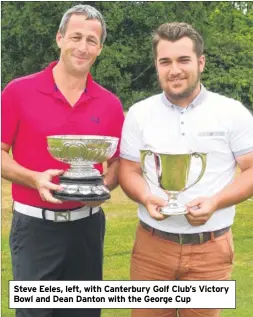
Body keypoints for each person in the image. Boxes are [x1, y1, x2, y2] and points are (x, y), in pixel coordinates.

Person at [119, 22, 253, 317]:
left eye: (183, 60)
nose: (174, 70)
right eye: (165, 61)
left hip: (210, 249)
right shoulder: (140, 113)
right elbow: (128, 171)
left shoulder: (231, 113)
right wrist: (145, 197)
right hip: (152, 248)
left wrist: (216, 202)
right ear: (156, 65)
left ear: (201, 62)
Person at [1, 4, 124, 317]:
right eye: (76, 37)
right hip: (35, 228)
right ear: (60, 38)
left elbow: (117, 164)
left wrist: (101, 186)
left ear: (100, 48)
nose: (83, 47)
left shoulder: (110, 105)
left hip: (87, 227)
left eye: (92, 41)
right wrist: (34, 178)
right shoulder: (18, 91)